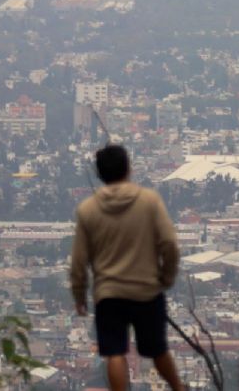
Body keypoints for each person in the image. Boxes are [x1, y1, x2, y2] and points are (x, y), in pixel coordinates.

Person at [71, 144, 184, 391]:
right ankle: (179, 388)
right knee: (157, 349)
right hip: (146, 289)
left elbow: (79, 260)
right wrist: (166, 277)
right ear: (129, 168)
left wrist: (79, 294)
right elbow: (170, 244)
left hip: (109, 293)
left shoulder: (88, 210)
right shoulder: (149, 201)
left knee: (114, 353)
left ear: (100, 174)